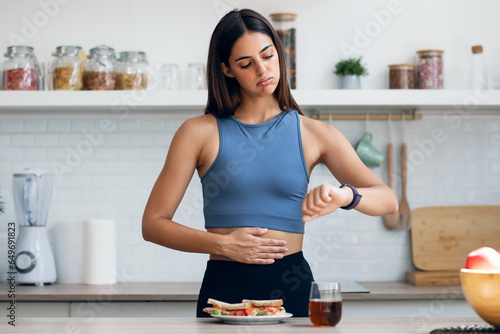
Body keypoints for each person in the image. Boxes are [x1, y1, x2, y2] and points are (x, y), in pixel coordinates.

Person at [142, 8, 398, 318]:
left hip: (293, 287)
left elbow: (388, 200)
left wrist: (345, 195)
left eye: (268, 56)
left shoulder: (315, 133)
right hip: (224, 289)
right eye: (246, 64)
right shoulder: (198, 132)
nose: (262, 70)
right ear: (226, 69)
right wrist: (223, 245)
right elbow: (153, 224)